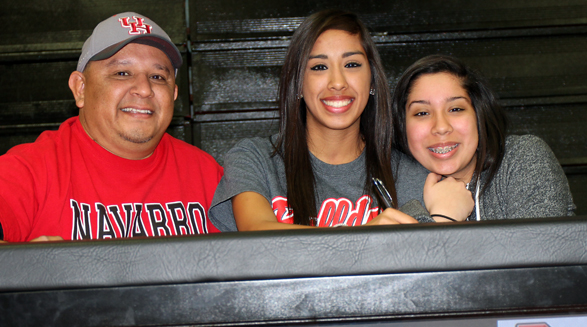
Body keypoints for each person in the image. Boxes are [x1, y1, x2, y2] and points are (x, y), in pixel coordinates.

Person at [0, 12, 223, 243]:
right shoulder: (28, 171)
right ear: (80, 89)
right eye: (122, 73)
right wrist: (23, 269)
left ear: (174, 94)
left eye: (157, 77)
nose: (145, 89)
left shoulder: (208, 176)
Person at [209, 10, 425, 231]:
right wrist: (365, 237)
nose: (337, 82)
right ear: (298, 85)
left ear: (371, 80)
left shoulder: (408, 172)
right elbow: (260, 237)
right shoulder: (255, 158)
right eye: (319, 67)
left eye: (351, 64)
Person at [392, 54, 576, 222]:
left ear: (479, 114)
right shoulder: (395, 191)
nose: (441, 127)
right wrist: (444, 218)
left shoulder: (521, 159)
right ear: (402, 126)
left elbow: (537, 252)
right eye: (422, 113)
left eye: (456, 109)